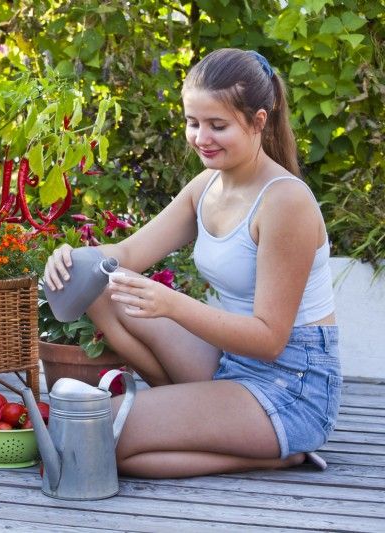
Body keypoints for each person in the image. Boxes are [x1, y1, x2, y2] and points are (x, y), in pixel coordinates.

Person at [43, 48, 341, 479]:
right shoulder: (207, 186)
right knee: (103, 284)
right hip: (230, 363)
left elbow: (270, 340)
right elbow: (125, 255)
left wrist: (171, 304)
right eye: (193, 122)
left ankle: (280, 452)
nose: (202, 137)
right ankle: (188, 413)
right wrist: (71, 258)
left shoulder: (285, 202)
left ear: (259, 120)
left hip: (291, 386)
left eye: (218, 126)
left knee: (101, 437)